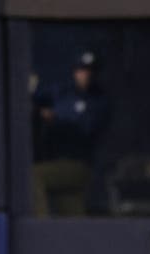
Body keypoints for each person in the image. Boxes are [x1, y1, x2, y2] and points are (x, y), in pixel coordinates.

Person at [32, 50, 109, 216]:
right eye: (82, 70)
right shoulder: (63, 92)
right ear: (75, 71)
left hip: (78, 164)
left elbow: (84, 127)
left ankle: (42, 232)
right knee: (71, 216)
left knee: (32, 176)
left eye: (90, 71)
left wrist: (55, 117)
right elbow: (35, 98)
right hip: (57, 161)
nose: (86, 74)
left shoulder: (98, 100)